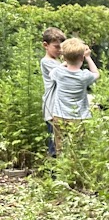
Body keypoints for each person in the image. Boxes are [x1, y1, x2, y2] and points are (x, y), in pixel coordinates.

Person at [49, 37, 99, 153]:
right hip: (79, 117)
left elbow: (52, 72)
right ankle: (74, 168)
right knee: (78, 147)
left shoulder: (58, 73)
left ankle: (62, 168)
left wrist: (66, 60)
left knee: (60, 147)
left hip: (59, 116)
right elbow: (96, 73)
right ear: (81, 57)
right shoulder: (84, 76)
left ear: (63, 57)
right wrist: (88, 57)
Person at [40, 27, 66, 155]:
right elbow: (63, 72)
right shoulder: (46, 62)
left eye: (62, 48)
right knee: (54, 145)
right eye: (56, 47)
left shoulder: (59, 61)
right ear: (46, 45)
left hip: (61, 109)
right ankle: (53, 174)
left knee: (62, 144)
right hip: (52, 108)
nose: (60, 51)